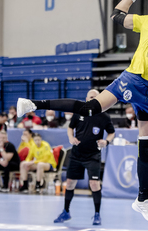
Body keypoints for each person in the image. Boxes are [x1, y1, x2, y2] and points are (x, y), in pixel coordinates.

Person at [17, 0, 148, 222]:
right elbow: (116, 15)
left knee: (147, 147)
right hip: (133, 79)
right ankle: (33, 104)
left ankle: (142, 200)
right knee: (89, 109)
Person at [53, 89, 115, 225]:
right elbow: (70, 128)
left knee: (94, 184)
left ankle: (97, 214)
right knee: (69, 183)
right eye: (91, 97)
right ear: (87, 99)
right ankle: (66, 212)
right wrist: (71, 137)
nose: (93, 99)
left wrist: (106, 141)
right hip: (76, 154)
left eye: (96, 97)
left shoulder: (104, 116)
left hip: (93, 155)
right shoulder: (79, 112)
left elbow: (111, 133)